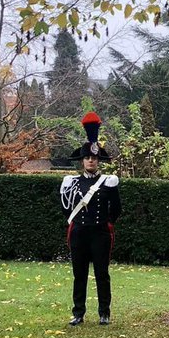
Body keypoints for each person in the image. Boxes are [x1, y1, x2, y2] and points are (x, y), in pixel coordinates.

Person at [61, 112, 121, 326]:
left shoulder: (108, 182)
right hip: (79, 232)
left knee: (102, 273)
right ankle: (78, 312)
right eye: (87, 158)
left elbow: (116, 209)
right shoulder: (72, 182)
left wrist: (105, 222)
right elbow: (66, 209)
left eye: (94, 158)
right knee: (79, 274)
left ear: (98, 161)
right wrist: (78, 222)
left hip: (100, 232)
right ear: (82, 161)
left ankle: (104, 312)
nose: (90, 161)